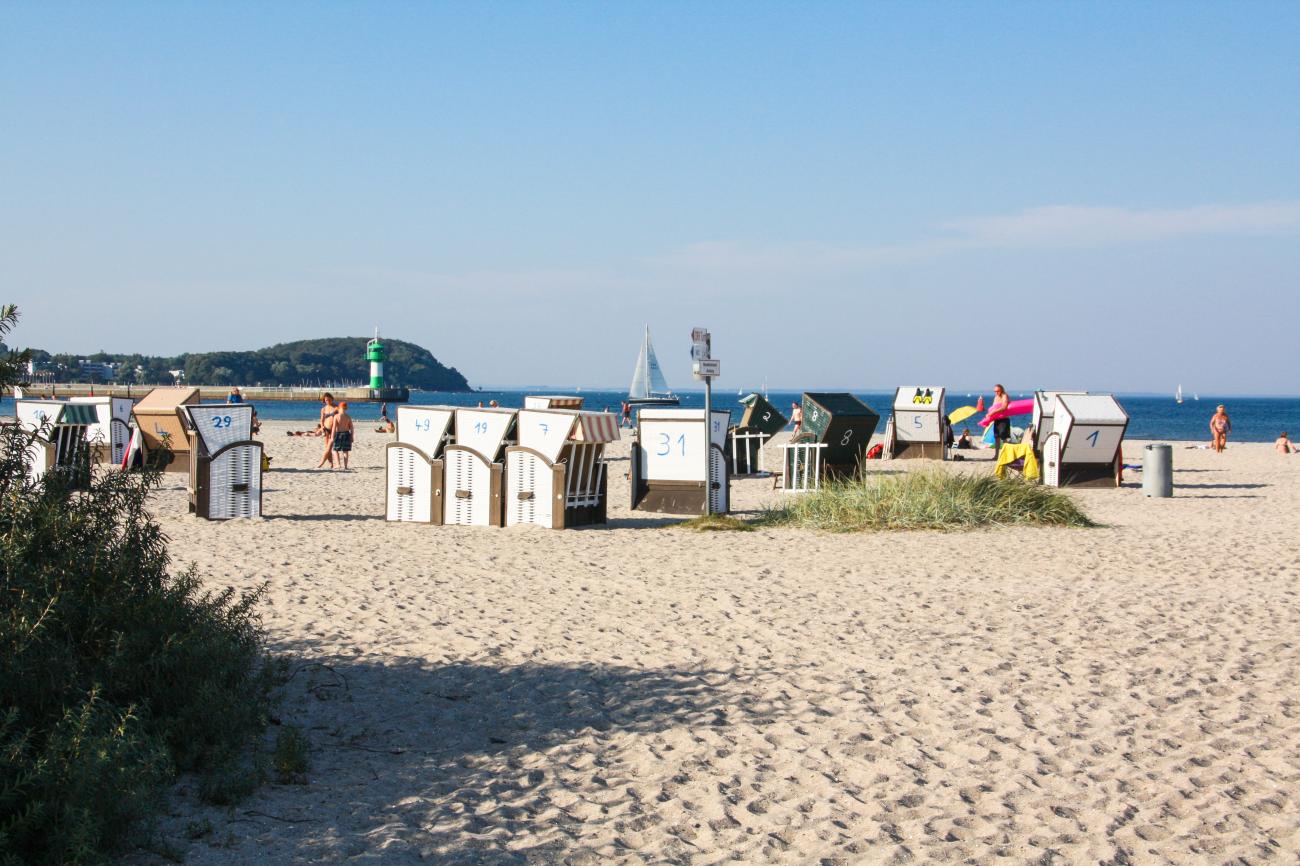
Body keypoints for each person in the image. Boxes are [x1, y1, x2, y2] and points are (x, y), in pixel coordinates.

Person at [316, 393, 338, 468]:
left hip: (333, 429)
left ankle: (321, 463)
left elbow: (340, 418)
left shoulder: (336, 407)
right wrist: (322, 428)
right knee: (327, 448)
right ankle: (331, 463)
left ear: (332, 399)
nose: (328, 401)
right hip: (326, 429)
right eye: (326, 400)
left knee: (329, 447)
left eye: (329, 399)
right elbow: (322, 420)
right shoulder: (323, 409)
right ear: (324, 400)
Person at [990, 384, 1011, 456]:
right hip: (997, 419)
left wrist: (993, 412)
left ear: (1001, 390)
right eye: (995, 391)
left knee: (1004, 437)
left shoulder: (1004, 396)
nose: (996, 393)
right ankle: (996, 455)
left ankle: (1006, 455)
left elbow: (1004, 407)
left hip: (1004, 419)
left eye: (997, 391)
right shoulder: (996, 397)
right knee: (997, 437)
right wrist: (989, 415)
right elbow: (993, 407)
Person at [332, 402, 354, 469]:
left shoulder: (336, 416)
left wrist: (332, 437)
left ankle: (338, 464)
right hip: (346, 434)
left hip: (339, 434)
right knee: (345, 451)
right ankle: (346, 466)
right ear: (346, 408)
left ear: (339, 408)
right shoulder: (348, 417)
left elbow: (334, 427)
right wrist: (352, 437)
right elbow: (352, 428)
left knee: (335, 450)